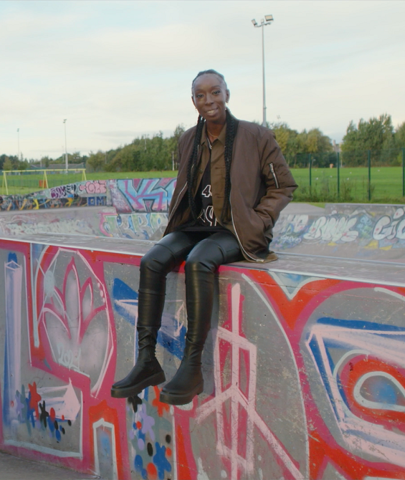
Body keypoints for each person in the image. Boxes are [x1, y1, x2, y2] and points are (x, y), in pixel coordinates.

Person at [110, 69, 297, 405]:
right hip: (195, 225)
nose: (209, 100)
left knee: (199, 261)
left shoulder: (256, 136)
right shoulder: (188, 140)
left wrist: (259, 220)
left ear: (227, 94)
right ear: (193, 101)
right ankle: (147, 361)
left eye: (215, 92)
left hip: (236, 230)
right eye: (200, 95)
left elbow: (283, 185)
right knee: (152, 260)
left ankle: (192, 364)